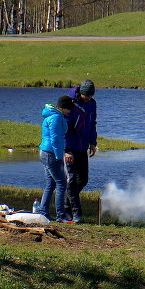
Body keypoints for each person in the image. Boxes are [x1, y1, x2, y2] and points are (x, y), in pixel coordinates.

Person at [61, 79, 99, 223]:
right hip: (71, 147)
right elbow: (65, 129)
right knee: (71, 181)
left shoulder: (92, 104)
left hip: (83, 147)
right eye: (86, 96)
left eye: (90, 95)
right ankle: (75, 214)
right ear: (81, 93)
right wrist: (67, 150)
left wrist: (93, 143)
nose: (88, 98)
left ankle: (66, 205)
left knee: (83, 179)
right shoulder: (70, 104)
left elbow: (92, 124)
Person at [36, 95, 74, 220]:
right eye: (69, 109)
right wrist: (59, 156)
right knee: (61, 183)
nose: (70, 111)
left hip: (46, 152)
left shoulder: (53, 115)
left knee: (50, 183)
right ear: (63, 108)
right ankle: (60, 216)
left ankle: (43, 213)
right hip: (51, 154)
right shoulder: (57, 117)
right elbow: (56, 139)